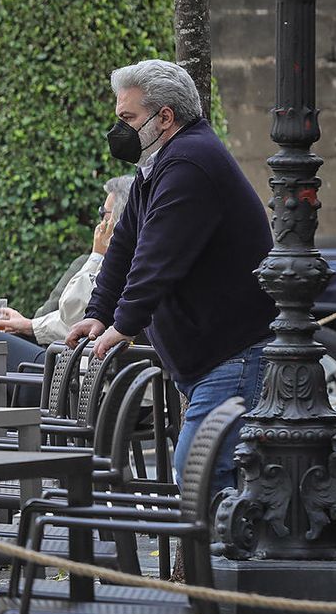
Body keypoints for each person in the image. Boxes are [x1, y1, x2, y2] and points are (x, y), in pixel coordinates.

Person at [65, 59, 276, 495]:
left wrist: (123, 324)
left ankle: (220, 564)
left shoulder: (190, 162)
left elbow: (156, 257)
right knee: (210, 479)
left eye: (129, 118)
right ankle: (217, 562)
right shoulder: (159, 164)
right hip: (215, 358)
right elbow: (124, 244)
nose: (119, 129)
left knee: (204, 477)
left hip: (233, 353)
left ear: (165, 117)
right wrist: (100, 313)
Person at [0, 174, 135, 405]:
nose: (100, 222)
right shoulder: (148, 262)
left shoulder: (114, 263)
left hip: (83, 384)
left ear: (119, 220)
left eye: (105, 214)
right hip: (121, 387)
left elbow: (71, 315)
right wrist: (29, 325)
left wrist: (96, 255)